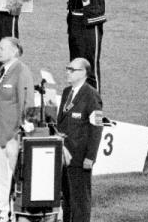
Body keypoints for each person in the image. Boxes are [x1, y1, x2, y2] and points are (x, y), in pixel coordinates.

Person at [0, 37, 35, 222]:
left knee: (15, 178)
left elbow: (28, 104)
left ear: (15, 51)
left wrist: (21, 133)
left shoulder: (22, 71)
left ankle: (15, 214)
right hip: (0, 133)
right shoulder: (3, 71)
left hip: (13, 136)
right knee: (2, 176)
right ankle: (4, 214)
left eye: (2, 48)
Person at [56, 58, 103, 222]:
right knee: (67, 199)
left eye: (72, 70)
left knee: (80, 200)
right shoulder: (66, 92)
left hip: (80, 157)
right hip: (64, 155)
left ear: (83, 73)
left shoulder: (91, 95)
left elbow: (97, 128)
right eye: (67, 68)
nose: (67, 72)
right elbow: (61, 122)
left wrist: (90, 157)